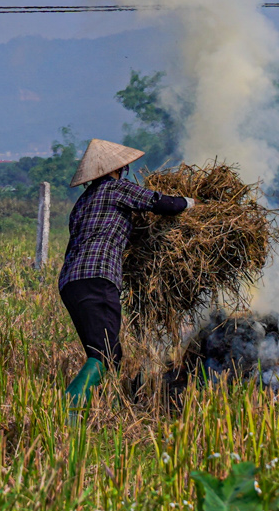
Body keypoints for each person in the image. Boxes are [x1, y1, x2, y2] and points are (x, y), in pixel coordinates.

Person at [56, 138, 193, 410]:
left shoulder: (83, 203)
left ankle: (114, 405)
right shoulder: (115, 189)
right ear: (119, 169)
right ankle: (68, 409)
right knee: (104, 353)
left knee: (110, 353)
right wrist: (190, 202)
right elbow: (163, 204)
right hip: (97, 279)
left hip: (71, 283)